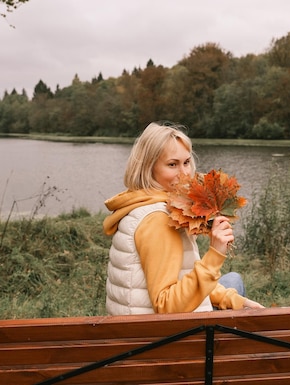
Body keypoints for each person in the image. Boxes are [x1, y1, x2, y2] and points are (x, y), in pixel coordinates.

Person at [103, 122, 265, 315]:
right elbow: (166, 306)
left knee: (232, 281)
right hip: (169, 339)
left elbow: (181, 277)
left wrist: (232, 300)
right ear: (148, 168)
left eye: (186, 162)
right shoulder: (159, 220)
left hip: (137, 334)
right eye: (172, 164)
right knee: (234, 280)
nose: (184, 173)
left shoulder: (140, 203)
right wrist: (215, 254)